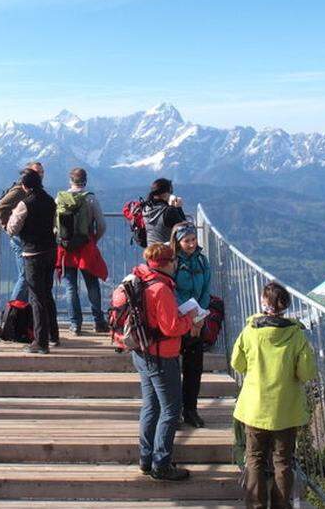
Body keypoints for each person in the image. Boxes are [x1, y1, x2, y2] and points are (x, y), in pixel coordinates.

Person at [231, 281, 318, 509]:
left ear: (263, 302)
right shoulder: (297, 336)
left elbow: (236, 362)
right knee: (283, 461)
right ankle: (281, 505)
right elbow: (307, 372)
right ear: (285, 307)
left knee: (255, 459)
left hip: (255, 407)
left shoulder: (250, 332)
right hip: (285, 409)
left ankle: (255, 505)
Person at [130, 243, 202, 482]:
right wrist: (190, 320)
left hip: (142, 352)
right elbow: (170, 327)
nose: (176, 265)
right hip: (162, 356)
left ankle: (145, 458)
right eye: (174, 261)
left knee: (150, 406)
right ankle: (161, 464)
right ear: (167, 263)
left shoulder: (143, 280)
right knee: (171, 409)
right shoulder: (161, 289)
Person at [6, 169, 59, 354]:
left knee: (36, 297)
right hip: (51, 250)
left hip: (32, 253)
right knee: (47, 293)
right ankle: (53, 334)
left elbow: (12, 229)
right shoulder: (51, 200)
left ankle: (40, 342)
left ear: (25, 185)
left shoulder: (24, 203)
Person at [55, 167, 109, 335]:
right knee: (92, 284)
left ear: (70, 180)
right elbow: (101, 225)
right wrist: (94, 239)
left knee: (70, 286)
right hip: (86, 246)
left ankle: (74, 324)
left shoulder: (60, 198)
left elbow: (55, 226)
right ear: (85, 181)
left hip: (66, 248)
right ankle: (99, 321)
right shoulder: (90, 199)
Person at [171, 222, 211, 428]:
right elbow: (171, 291)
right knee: (174, 369)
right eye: (187, 240)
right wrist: (190, 315)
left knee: (194, 368)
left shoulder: (203, 261)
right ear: (178, 242)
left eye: (194, 239)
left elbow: (206, 288)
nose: (191, 244)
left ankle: (190, 409)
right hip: (179, 321)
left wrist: (199, 316)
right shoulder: (173, 263)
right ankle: (174, 411)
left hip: (197, 320)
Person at [0, 161, 45, 303]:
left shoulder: (32, 190)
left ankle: (20, 315)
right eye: (37, 172)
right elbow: (0, 206)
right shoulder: (20, 190)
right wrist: (7, 227)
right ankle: (12, 315)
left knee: (27, 276)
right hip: (19, 237)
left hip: (25, 236)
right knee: (25, 276)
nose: (41, 175)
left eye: (42, 172)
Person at [143, 178, 188, 247]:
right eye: (171, 191)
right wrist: (178, 208)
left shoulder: (145, 208)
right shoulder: (168, 211)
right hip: (166, 252)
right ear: (165, 194)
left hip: (151, 251)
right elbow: (185, 230)